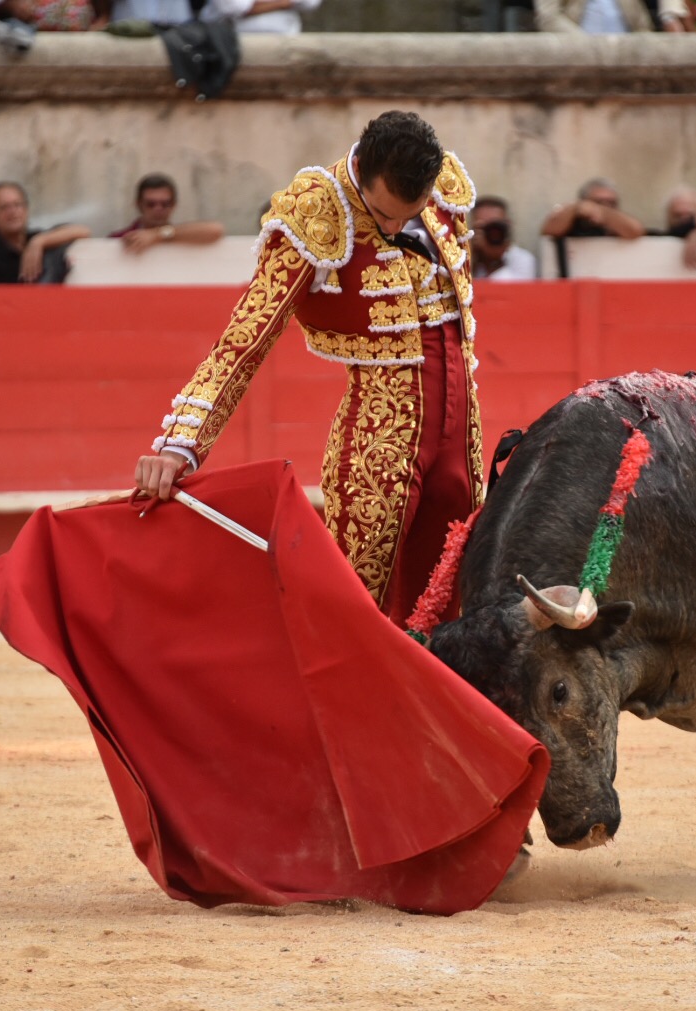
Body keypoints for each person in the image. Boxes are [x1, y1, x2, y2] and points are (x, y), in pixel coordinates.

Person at [134, 111, 485, 625]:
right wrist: (180, 444)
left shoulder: (440, 188)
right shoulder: (316, 213)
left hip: (462, 433)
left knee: (449, 605)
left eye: (407, 217)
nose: (393, 228)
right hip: (379, 439)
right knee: (357, 607)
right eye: (383, 214)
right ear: (360, 168)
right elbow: (244, 340)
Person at [0, 181, 89, 285]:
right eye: (4, 207)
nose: (13, 212)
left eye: (18, 205)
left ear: (26, 210)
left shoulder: (40, 240)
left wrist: (38, 243)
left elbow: (83, 231)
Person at [111, 174, 225, 254]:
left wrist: (157, 235)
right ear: (138, 204)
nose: (158, 208)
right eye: (151, 204)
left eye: (165, 204)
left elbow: (215, 230)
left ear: (174, 204)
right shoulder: (119, 238)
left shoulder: (185, 235)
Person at [540, 178, 647, 241]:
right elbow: (549, 231)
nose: (605, 206)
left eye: (611, 203)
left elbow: (635, 231)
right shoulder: (572, 221)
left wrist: (605, 213)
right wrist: (576, 208)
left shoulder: (616, 224)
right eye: (598, 202)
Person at [469, 196, 537, 282]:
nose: (492, 232)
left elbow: (512, 290)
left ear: (508, 225)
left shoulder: (523, 259)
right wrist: (471, 257)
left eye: (496, 226)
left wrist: (496, 261)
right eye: (483, 227)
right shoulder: (465, 259)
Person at [534, 0, 692, 30]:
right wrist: (586, 45)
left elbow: (642, 26)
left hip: (625, 62)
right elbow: (548, 17)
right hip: (576, 59)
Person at [198, 0, 320, 33]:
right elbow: (234, 7)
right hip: (238, 42)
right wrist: (283, 3)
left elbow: (310, 2)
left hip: (286, 39)